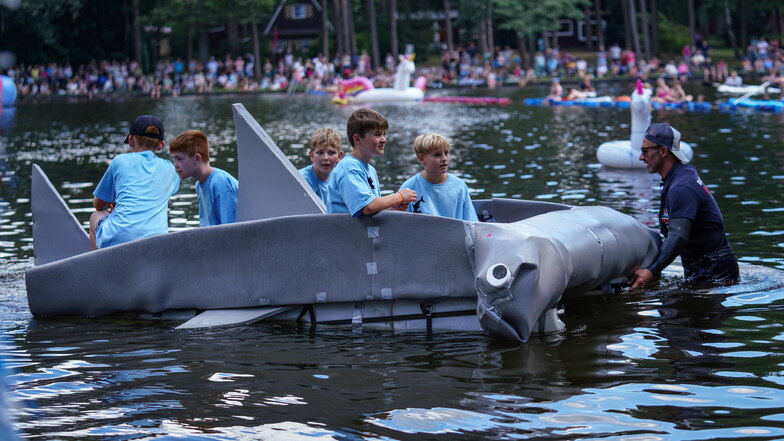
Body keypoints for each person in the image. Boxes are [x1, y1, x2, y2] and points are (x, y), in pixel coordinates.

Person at [629, 123, 739, 289]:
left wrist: (650, 271)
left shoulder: (682, 187)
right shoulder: (678, 177)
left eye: (645, 151)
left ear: (664, 151)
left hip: (716, 273)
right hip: (702, 268)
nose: (641, 157)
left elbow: (678, 237)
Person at [89, 115, 180, 249]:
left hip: (120, 238)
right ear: (161, 145)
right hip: (157, 241)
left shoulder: (120, 161)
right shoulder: (171, 170)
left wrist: (113, 202)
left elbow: (98, 205)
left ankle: (98, 264)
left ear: (131, 140)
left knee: (95, 216)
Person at [327, 108, 417, 216]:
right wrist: (399, 197)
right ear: (357, 139)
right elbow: (367, 207)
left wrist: (393, 209)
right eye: (378, 134)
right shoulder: (348, 167)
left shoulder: (370, 170)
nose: (384, 139)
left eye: (384, 134)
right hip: (343, 232)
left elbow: (368, 213)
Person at [398, 133, 478, 221]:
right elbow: (401, 224)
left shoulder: (459, 186)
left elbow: (472, 222)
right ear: (421, 158)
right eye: (437, 155)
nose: (444, 158)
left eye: (446, 153)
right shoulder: (409, 187)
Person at [169, 129, 238, 227]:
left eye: (179, 159)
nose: (176, 165)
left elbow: (232, 230)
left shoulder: (220, 184)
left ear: (196, 159)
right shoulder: (199, 184)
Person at [299, 127, 343, 206]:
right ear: (312, 156)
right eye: (320, 153)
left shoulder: (340, 177)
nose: (326, 158)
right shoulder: (302, 180)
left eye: (331, 153)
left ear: (339, 156)